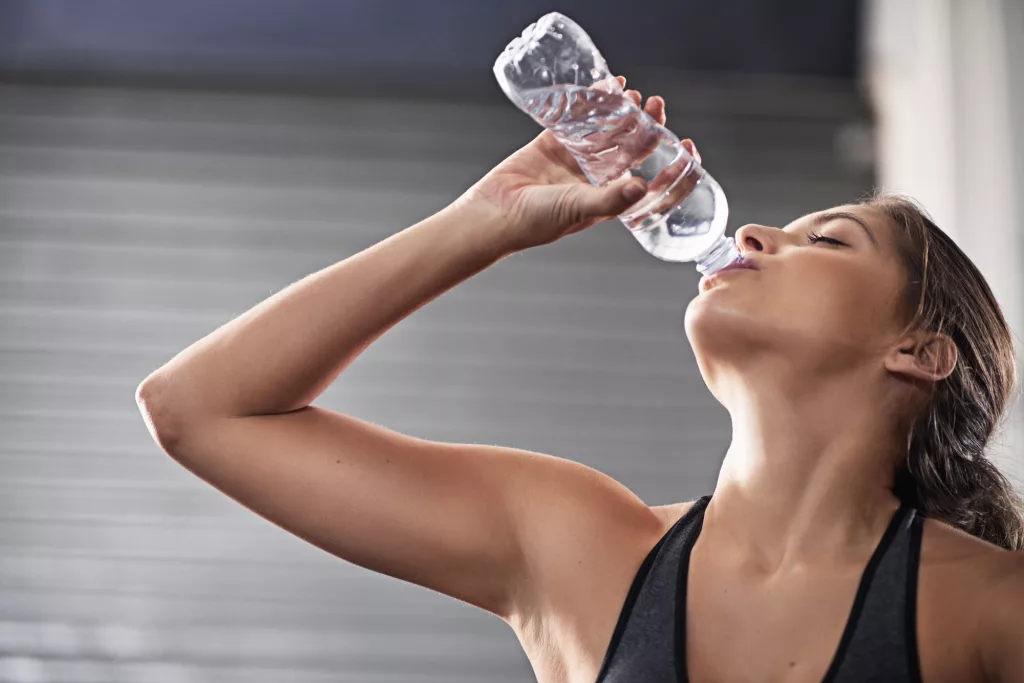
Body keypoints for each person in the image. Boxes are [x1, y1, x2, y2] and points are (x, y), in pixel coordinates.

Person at [134, 76, 1024, 683]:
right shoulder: (581, 547)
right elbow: (198, 407)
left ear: (919, 351)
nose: (754, 233)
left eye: (826, 239)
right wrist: (483, 221)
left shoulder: (992, 605)